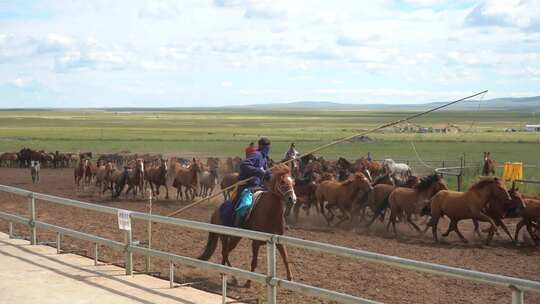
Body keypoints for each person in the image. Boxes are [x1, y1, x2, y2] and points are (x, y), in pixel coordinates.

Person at [234, 137, 272, 227]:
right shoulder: (256, 155)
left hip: (258, 186)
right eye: (268, 147)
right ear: (264, 147)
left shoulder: (264, 158)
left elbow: (267, 172)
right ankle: (237, 224)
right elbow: (244, 164)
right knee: (245, 205)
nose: (269, 149)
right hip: (247, 186)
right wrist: (258, 171)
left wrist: (272, 177)